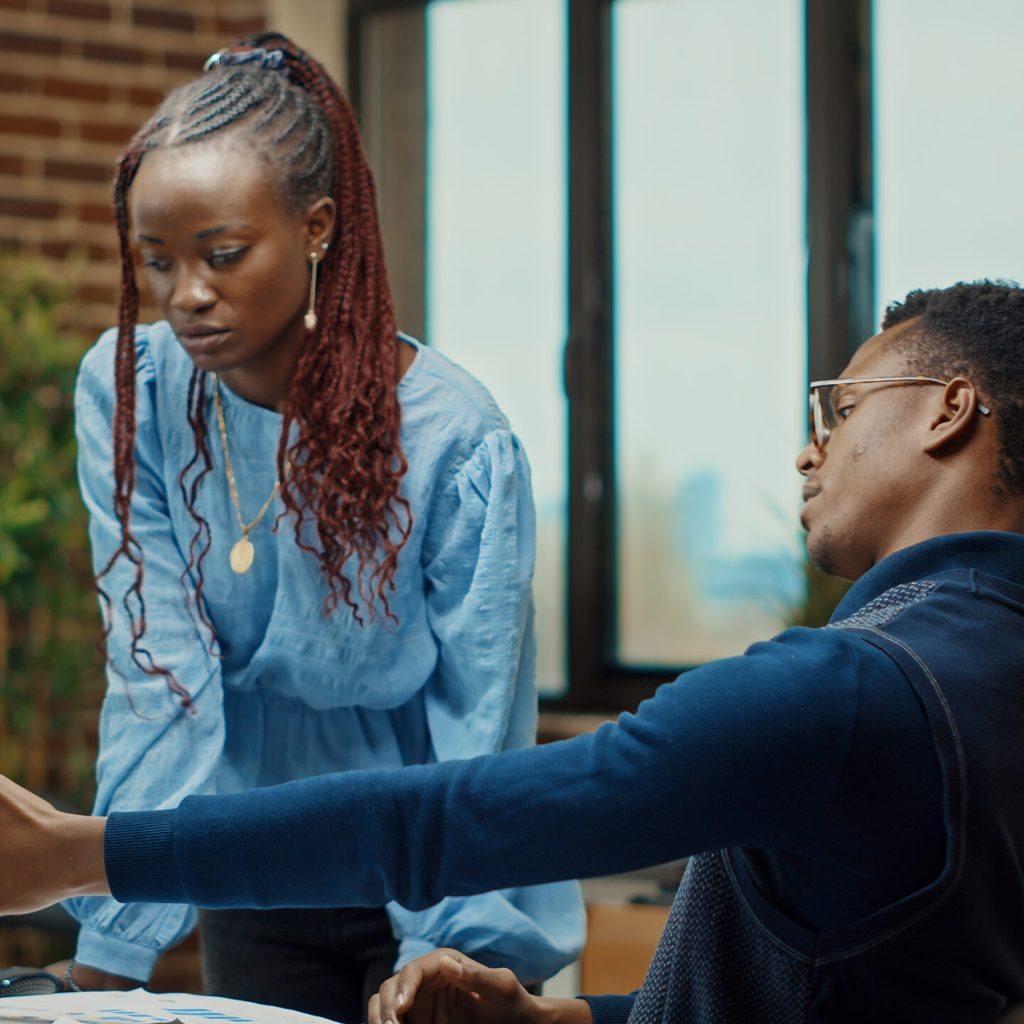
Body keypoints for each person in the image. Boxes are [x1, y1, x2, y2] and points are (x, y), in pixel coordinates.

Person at [4, 279, 1024, 1023]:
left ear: (946, 407)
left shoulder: (851, 692)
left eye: (839, 409)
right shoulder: (991, 667)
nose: (811, 448)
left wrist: (81, 852)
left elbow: (463, 815)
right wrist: (556, 1021)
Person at [42, 31, 583, 1023]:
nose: (185, 295)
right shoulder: (133, 392)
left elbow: (481, 722)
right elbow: (157, 676)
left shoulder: (455, 438)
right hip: (258, 861)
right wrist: (109, 952)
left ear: (319, 228)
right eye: (156, 261)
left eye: (223, 254)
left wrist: (447, 950)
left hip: (433, 863)